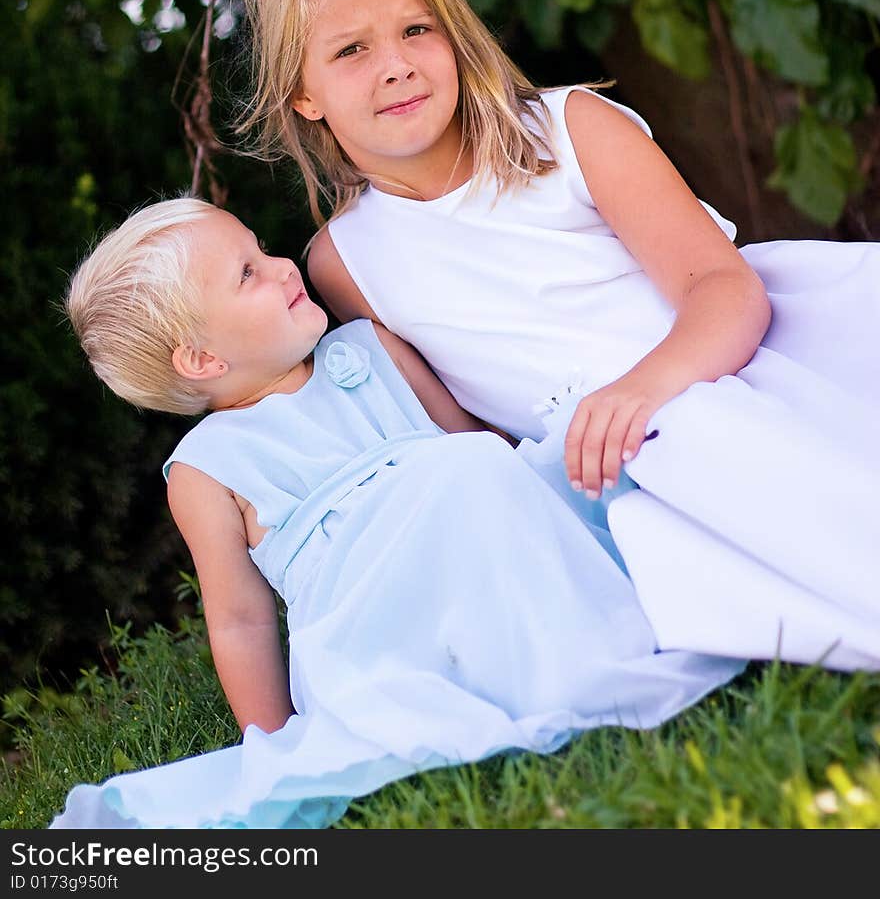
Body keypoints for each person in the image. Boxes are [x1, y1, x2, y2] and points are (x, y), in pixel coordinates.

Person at [235, 0, 880, 673]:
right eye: (350, 51)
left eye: (416, 30)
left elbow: (725, 289)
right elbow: (463, 428)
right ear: (302, 96)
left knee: (740, 454)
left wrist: (641, 393)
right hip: (590, 470)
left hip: (715, 368)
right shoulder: (344, 262)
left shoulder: (572, 132)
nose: (397, 65)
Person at [51, 198, 742, 830]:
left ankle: (585, 626)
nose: (283, 267)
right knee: (456, 477)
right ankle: (538, 667)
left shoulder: (370, 350)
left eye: (262, 250)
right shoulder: (209, 468)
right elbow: (240, 617)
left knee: (476, 470)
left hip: (475, 545)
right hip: (372, 616)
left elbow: (476, 446)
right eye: (248, 275)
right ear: (202, 358)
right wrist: (275, 742)